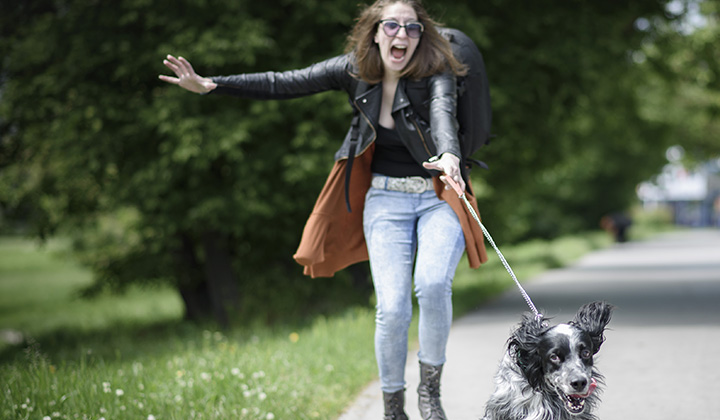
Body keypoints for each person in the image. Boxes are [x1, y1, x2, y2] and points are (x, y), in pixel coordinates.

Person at [159, 1, 488, 419]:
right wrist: (211, 84)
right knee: (391, 308)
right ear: (374, 32)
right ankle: (393, 408)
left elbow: (443, 112)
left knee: (433, 285)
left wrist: (449, 155)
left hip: (437, 196)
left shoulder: (436, 71)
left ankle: (429, 393)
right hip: (385, 200)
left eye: (412, 28)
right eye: (392, 26)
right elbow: (284, 82)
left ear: (421, 35)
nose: (401, 35)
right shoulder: (353, 69)